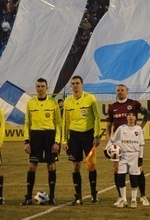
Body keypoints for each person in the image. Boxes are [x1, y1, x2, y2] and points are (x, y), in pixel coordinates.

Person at [106, 84, 150, 206]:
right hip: (118, 144)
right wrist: (108, 142)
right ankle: (121, 197)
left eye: (122, 90)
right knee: (117, 170)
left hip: (132, 143)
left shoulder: (134, 104)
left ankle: (143, 196)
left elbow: (147, 113)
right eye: (118, 90)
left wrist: (140, 127)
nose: (120, 92)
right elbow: (109, 126)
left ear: (127, 92)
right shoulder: (112, 107)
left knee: (138, 169)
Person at [21, 78, 61, 206]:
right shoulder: (31, 103)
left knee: (51, 166)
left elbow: (58, 123)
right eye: (38, 86)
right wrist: (26, 141)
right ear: (36, 88)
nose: (40, 89)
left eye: (42, 86)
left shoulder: (53, 103)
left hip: (50, 136)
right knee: (32, 166)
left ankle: (52, 197)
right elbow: (27, 123)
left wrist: (57, 142)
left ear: (47, 88)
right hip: (35, 136)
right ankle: (28, 197)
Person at [62, 75, 101, 205]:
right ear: (71, 85)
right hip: (74, 137)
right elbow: (65, 122)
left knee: (91, 165)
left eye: (77, 83)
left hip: (88, 135)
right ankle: (78, 196)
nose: (75, 85)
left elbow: (97, 117)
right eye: (73, 83)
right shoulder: (67, 101)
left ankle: (94, 194)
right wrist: (64, 140)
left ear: (82, 85)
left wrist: (96, 135)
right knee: (75, 166)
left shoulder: (90, 98)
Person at [105, 110, 144, 208]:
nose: (131, 117)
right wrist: (106, 149)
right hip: (123, 155)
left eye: (133, 115)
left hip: (134, 155)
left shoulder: (139, 129)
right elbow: (112, 139)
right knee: (121, 177)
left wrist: (140, 157)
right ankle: (124, 200)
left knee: (134, 178)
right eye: (129, 115)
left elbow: (141, 144)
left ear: (136, 118)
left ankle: (134, 200)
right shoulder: (121, 128)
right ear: (126, 117)